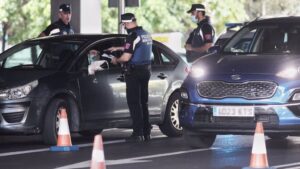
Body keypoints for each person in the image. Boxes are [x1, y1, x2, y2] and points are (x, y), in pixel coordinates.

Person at [107, 13, 152, 142]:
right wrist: (118, 47)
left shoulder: (131, 36)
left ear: (126, 23)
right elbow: (136, 46)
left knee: (134, 102)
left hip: (134, 72)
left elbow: (126, 57)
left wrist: (116, 60)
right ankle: (146, 131)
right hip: (146, 71)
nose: (124, 27)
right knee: (143, 102)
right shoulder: (145, 33)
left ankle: (137, 133)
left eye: (124, 24)